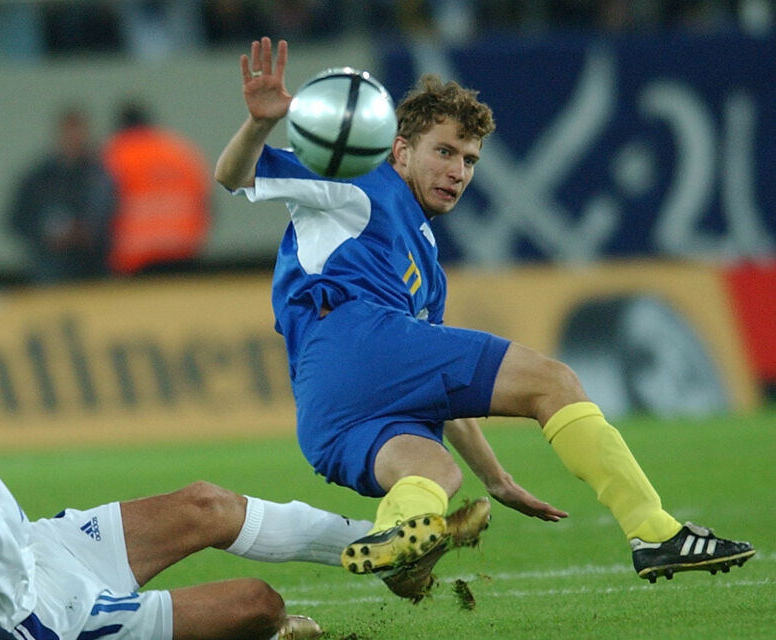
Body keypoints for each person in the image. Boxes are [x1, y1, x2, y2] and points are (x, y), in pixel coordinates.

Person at [214, 37, 755, 598]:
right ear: (399, 150)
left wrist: (494, 478)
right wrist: (259, 124)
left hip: (327, 411)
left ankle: (399, 546)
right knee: (552, 381)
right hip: (354, 337)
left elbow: (440, 387)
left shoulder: (427, 264)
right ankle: (656, 532)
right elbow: (235, 176)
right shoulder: (360, 179)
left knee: (435, 476)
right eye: (444, 151)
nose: (459, 171)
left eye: (470, 160)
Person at [0, 296, 447, 640]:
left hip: (41, 550)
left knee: (205, 503)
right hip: (44, 620)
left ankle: (386, 549)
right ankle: (275, 627)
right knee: (259, 603)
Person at [7, 106, 115, 283]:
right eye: (69, 133)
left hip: (94, 271)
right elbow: (16, 220)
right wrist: (46, 236)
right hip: (52, 271)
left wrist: (89, 233)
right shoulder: (38, 178)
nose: (74, 139)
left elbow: (114, 216)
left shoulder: (101, 175)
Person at [102, 101, 212, 274]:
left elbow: (102, 206)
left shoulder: (115, 153)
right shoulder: (179, 151)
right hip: (183, 249)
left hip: (137, 256)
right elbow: (206, 202)